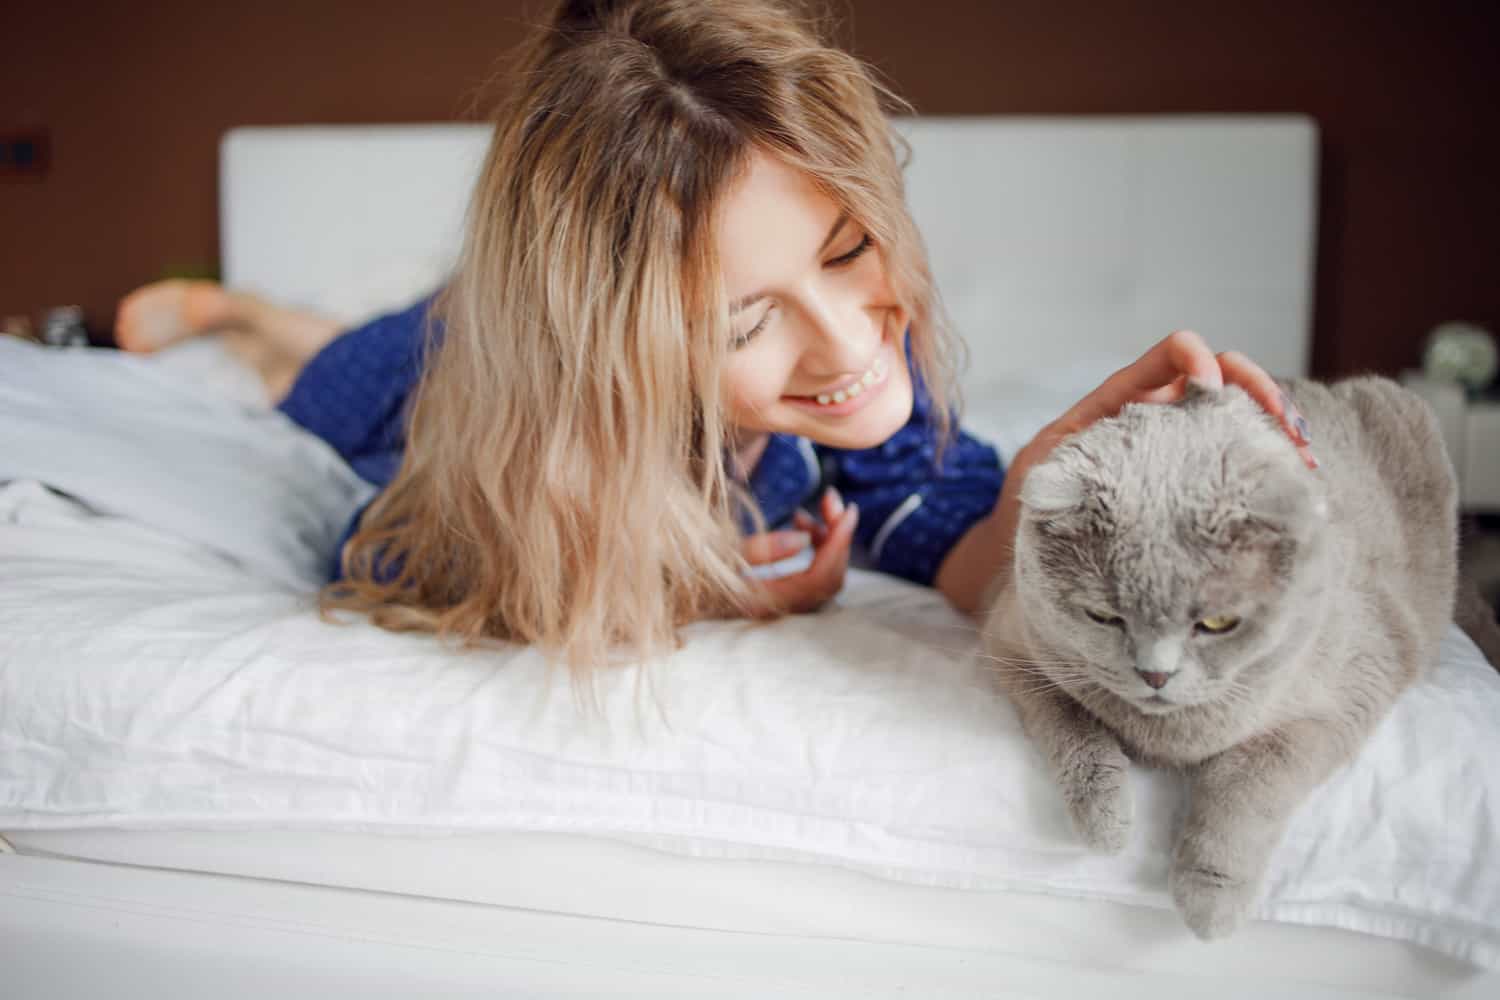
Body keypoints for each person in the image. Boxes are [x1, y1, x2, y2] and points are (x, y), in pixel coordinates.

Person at [116, 0, 1314, 683]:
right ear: (627, 346)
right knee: (308, 379)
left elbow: (973, 550)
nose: (849, 342)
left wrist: (1057, 471)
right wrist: (706, 587)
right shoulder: (532, 439)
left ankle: (255, 314)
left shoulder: (859, 413)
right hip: (420, 362)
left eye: (849, 251)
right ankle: (250, 318)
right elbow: (382, 555)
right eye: (748, 319)